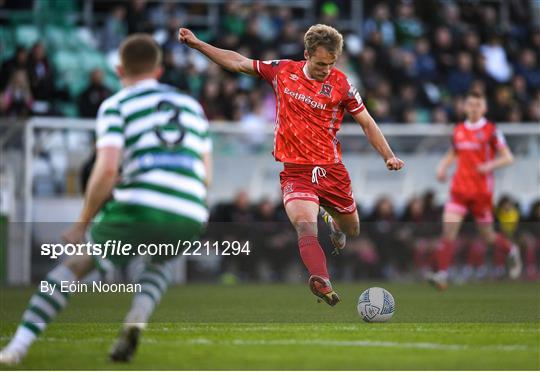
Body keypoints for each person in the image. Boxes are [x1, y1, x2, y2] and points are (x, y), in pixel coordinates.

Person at [0, 33, 212, 365]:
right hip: (191, 209)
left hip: (141, 203)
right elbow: (206, 173)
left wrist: (82, 222)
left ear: (118, 69)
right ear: (158, 70)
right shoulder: (192, 106)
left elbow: (107, 168)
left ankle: (17, 348)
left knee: (74, 267)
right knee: (161, 262)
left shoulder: (117, 105)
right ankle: (137, 318)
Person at [178, 24, 404, 306]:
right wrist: (199, 45)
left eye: (331, 64)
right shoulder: (283, 71)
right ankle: (322, 279)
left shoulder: (342, 84)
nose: (326, 70)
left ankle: (334, 224)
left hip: (331, 171)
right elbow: (238, 62)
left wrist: (388, 155)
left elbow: (367, 123)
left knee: (352, 230)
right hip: (295, 171)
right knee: (305, 226)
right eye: (321, 63)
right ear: (306, 54)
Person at [429, 90, 522, 290]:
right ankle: (442, 274)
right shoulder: (459, 129)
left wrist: (488, 166)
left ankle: (511, 250)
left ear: (484, 108)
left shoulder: (491, 130)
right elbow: (454, 151)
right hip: (459, 188)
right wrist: (442, 167)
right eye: (470, 104)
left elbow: (508, 157)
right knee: (448, 232)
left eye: (477, 105)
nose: (473, 108)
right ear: (465, 106)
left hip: (481, 191)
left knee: (488, 236)